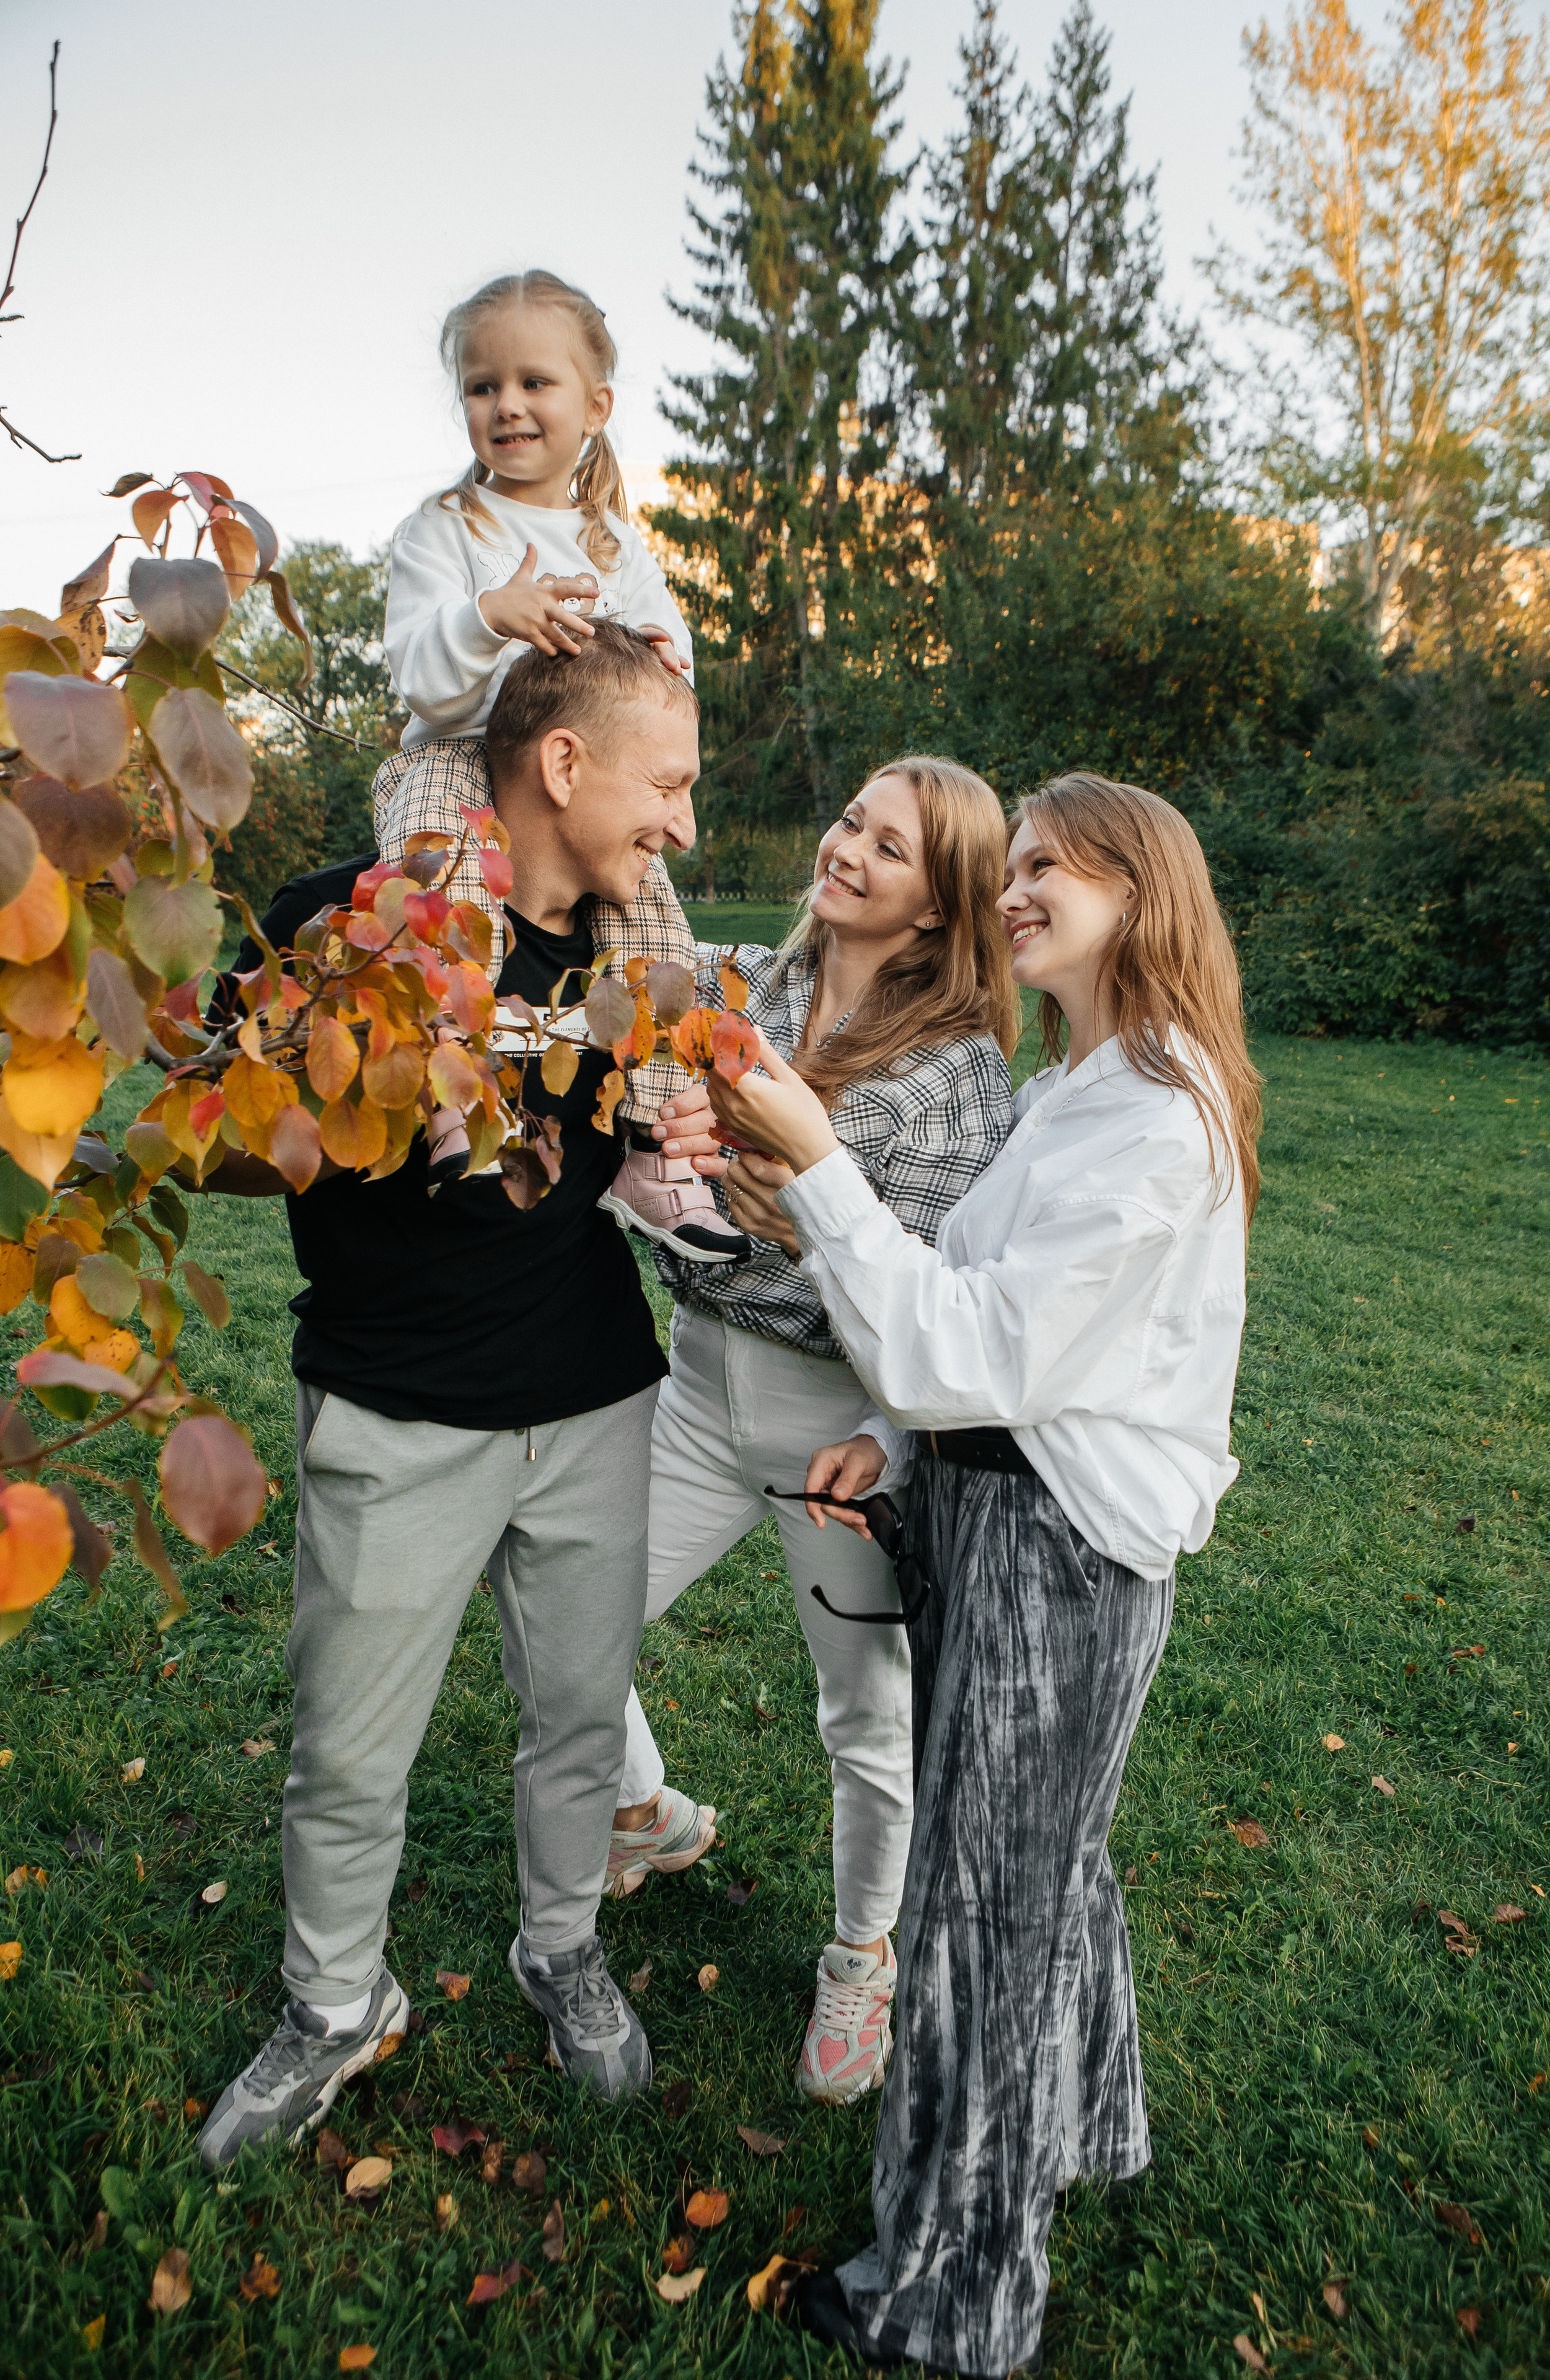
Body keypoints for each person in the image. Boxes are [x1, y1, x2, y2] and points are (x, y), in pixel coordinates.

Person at [703, 772, 1260, 2378]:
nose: (1019, 887)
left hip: (1064, 1553)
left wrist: (812, 1164)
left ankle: (950, 2302)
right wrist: (885, 1436)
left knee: (980, 1924)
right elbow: (959, 1290)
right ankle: (1088, 2131)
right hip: (983, 1510)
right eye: (1013, 865)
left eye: (1058, 867)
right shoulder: (1084, 1082)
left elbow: (979, 1346)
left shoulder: (1158, 1119)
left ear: (1143, 890)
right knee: (1048, 1874)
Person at [196, 627, 728, 2172]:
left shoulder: (631, 964)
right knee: (349, 1755)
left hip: (590, 1400)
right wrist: (353, 1091)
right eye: (670, 786)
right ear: (561, 765)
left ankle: (561, 1950)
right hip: (394, 1407)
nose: (684, 827)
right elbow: (214, 1136)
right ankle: (330, 2007)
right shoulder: (352, 924)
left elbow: (643, 1147)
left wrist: (655, 1145)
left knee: (577, 1721)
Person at [604, 758, 1018, 2109]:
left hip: (840, 1416)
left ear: (937, 904)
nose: (844, 851)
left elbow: (926, 1284)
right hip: (694, 1379)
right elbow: (628, 1060)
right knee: (561, 1617)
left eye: (885, 849)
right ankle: (647, 1812)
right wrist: (644, 1152)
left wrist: (744, 1221)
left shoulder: (954, 1077)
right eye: (846, 821)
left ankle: (859, 1958)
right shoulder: (751, 987)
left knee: (865, 1713)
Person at [376, 265, 742, 1262]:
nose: (507, 406)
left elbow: (667, 666)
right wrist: (491, 616)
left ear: (595, 406)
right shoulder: (446, 533)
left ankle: (653, 1148)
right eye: (483, 386)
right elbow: (417, 672)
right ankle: (460, 1094)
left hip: (573, 780)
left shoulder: (615, 543)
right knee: (453, 902)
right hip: (458, 764)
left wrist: (652, 659)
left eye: (535, 383)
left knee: (658, 931)